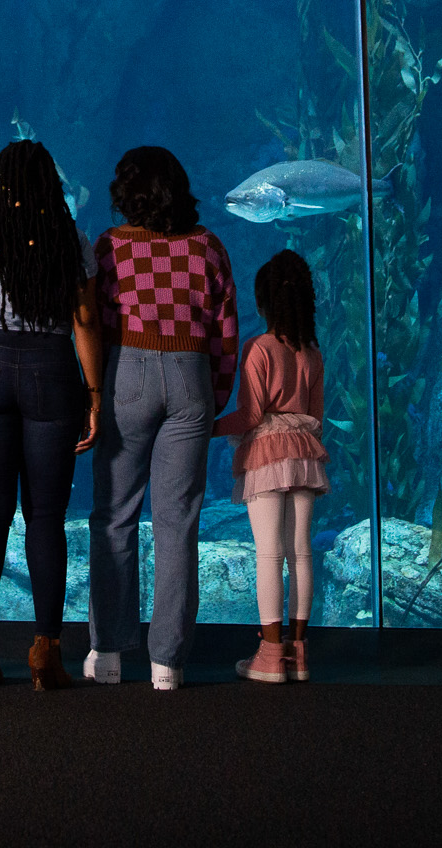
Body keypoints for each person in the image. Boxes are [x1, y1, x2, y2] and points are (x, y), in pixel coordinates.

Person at [0, 141, 108, 691]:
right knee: (45, 517)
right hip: (50, 372)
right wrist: (94, 393)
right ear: (49, 186)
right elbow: (84, 320)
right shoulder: (73, 242)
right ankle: (44, 650)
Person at [85, 145, 238, 691]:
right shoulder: (209, 248)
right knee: (178, 523)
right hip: (192, 377)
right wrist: (213, 398)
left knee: (114, 515)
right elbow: (225, 333)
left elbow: (96, 323)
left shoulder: (109, 247)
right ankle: (167, 662)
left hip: (128, 370)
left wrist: (94, 393)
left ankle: (107, 650)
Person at [218, 250, 330, 684]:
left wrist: (202, 427)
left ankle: (269, 655)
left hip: (266, 455)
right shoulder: (313, 354)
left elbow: (249, 417)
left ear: (263, 303)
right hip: (305, 455)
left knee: (269, 553)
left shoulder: (260, 348)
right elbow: (316, 418)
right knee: (300, 551)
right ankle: (299, 654)